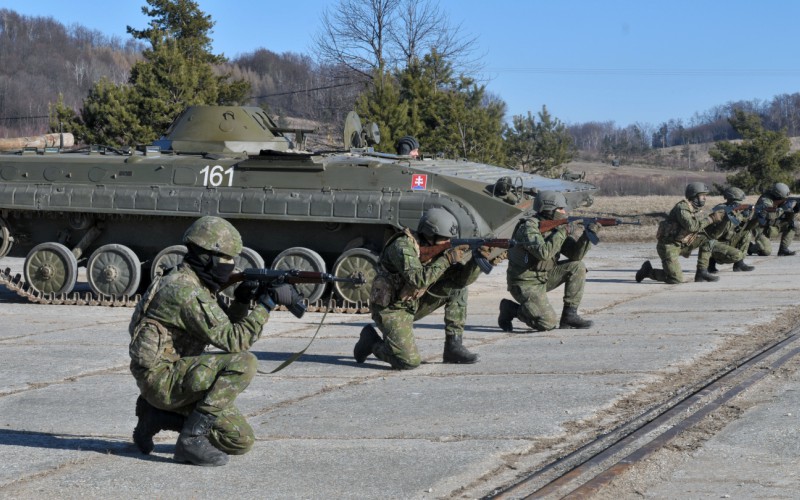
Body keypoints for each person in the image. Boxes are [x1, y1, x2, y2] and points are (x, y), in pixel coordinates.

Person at [129, 216, 298, 466]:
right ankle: (191, 440)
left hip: (174, 375)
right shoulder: (186, 292)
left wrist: (242, 301)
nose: (230, 266)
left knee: (239, 440)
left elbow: (220, 329)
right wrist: (266, 304)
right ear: (206, 257)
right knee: (244, 363)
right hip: (163, 380)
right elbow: (236, 341)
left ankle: (157, 416)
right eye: (226, 259)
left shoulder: (187, 280)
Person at [353, 208, 482, 369]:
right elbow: (419, 280)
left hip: (413, 302)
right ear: (430, 235)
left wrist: (478, 261)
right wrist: (447, 259)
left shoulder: (434, 246)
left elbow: (462, 280)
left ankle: (453, 346)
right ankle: (371, 343)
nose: (447, 243)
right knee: (408, 362)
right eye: (444, 239)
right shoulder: (402, 246)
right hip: (391, 309)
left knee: (457, 287)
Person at [497, 190, 595, 333]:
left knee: (577, 266)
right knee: (547, 323)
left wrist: (588, 235)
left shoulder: (555, 227)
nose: (564, 212)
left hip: (545, 277)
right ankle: (511, 309)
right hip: (524, 283)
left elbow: (575, 255)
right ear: (548, 209)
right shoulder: (528, 228)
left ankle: (569, 315)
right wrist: (563, 232)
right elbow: (544, 253)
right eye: (560, 209)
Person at [636, 182, 727, 284]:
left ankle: (701, 272)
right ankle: (648, 271)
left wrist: (723, 218)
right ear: (694, 196)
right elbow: (692, 226)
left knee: (708, 238)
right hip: (669, 246)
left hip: (683, 243)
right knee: (676, 279)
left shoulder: (695, 209)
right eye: (702, 196)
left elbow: (703, 228)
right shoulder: (682, 208)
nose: (705, 198)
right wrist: (711, 218)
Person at [706, 186, 755, 273]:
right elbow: (716, 234)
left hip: (727, 240)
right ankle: (711, 265)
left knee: (746, 233)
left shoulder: (735, 210)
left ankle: (739, 264)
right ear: (731, 200)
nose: (740, 204)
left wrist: (748, 215)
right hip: (714, 245)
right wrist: (732, 214)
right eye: (738, 203)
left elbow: (742, 225)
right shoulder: (720, 210)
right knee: (736, 254)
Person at [748, 182, 798, 256]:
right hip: (761, 227)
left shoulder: (780, 199)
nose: (784, 199)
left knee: (793, 224)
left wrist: (794, 209)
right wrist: (783, 208)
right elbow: (770, 215)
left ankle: (783, 249)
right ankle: (750, 247)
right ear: (777, 195)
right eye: (782, 198)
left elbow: (789, 216)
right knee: (766, 251)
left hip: (773, 225)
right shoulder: (765, 200)